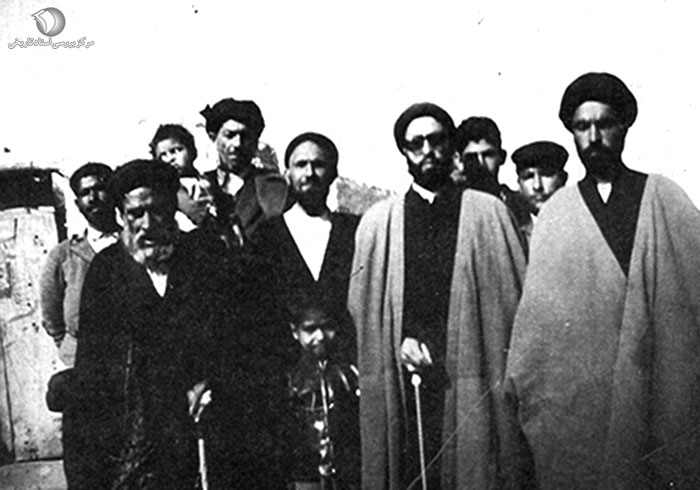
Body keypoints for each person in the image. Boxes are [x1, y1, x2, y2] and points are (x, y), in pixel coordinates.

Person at [505, 72, 700, 488]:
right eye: (582, 126)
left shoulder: (666, 198)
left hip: (659, 395)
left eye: (605, 124)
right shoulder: (557, 214)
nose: (593, 137)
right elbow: (537, 336)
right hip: (585, 409)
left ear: (624, 127)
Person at [348, 102, 528, 489]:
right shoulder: (379, 223)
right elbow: (364, 316)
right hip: (405, 383)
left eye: (436, 140)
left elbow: (512, 309)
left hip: (472, 377)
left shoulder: (489, 214)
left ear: (451, 147)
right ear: (404, 152)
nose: (427, 150)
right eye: (416, 143)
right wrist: (399, 340)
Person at [64, 159, 220, 489]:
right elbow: (94, 367)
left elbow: (232, 340)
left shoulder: (204, 259)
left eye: (158, 211)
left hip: (203, 428)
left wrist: (210, 380)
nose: (147, 224)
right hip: (136, 436)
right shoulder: (106, 271)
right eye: (136, 213)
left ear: (172, 209)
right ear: (122, 216)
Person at [249, 131, 359, 320]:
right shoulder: (266, 235)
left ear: (333, 174)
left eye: (318, 165)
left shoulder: (353, 232)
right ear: (287, 175)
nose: (309, 173)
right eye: (301, 165)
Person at [39, 162, 119, 367]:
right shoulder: (62, 255)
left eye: (99, 189)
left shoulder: (134, 244)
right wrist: (70, 350)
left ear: (114, 194)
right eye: (85, 193)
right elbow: (51, 317)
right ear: (77, 203)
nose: (93, 198)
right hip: (81, 360)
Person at [286, 292, 360, 490]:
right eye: (310, 329)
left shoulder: (351, 373)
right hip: (306, 478)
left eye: (327, 327)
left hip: (349, 477)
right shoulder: (290, 379)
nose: (320, 336)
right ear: (295, 331)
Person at [200, 97, 288, 248]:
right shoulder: (200, 184)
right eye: (229, 135)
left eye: (245, 136)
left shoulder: (272, 185)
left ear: (255, 141)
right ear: (213, 137)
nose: (237, 144)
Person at [453, 116, 531, 227]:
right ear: (459, 160)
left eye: (488, 155)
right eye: (471, 157)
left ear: (502, 157)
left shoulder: (519, 203)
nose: (481, 163)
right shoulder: (452, 206)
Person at [149, 123, 217, 233]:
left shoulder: (206, 179)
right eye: (163, 156)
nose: (170, 159)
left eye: (176, 150)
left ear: (192, 150)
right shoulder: (170, 189)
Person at [511, 140, 568, 243]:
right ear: (519, 183)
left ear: (563, 179)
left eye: (546, 174)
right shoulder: (512, 229)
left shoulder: (578, 222)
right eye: (528, 176)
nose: (537, 186)